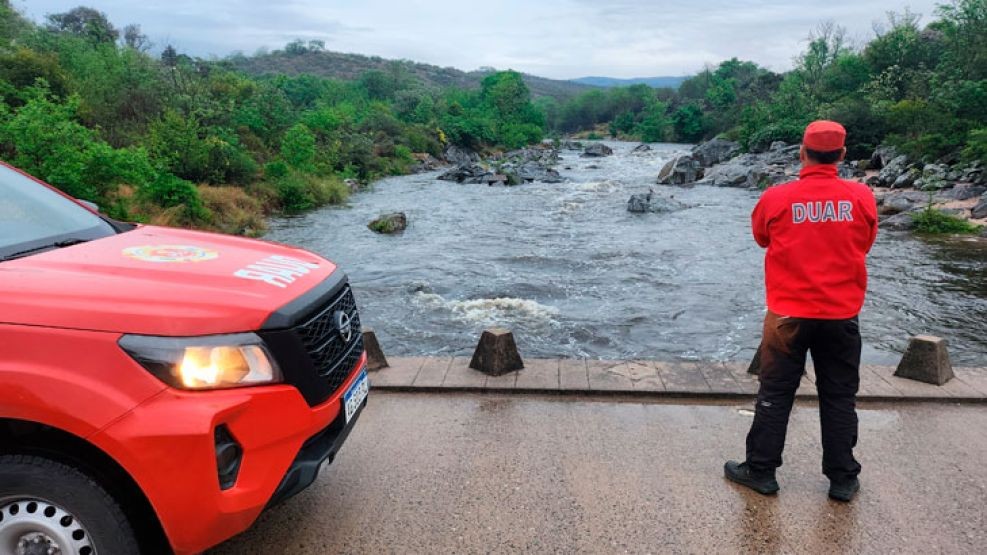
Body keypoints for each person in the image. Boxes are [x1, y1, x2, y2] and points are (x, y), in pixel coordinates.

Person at [725, 120, 878, 502]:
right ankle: (842, 478)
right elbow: (866, 243)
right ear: (842, 155)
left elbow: (762, 237)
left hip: (787, 315)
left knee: (775, 391)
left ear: (801, 152)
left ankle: (761, 471)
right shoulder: (861, 197)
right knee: (840, 395)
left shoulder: (777, 197)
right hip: (841, 314)